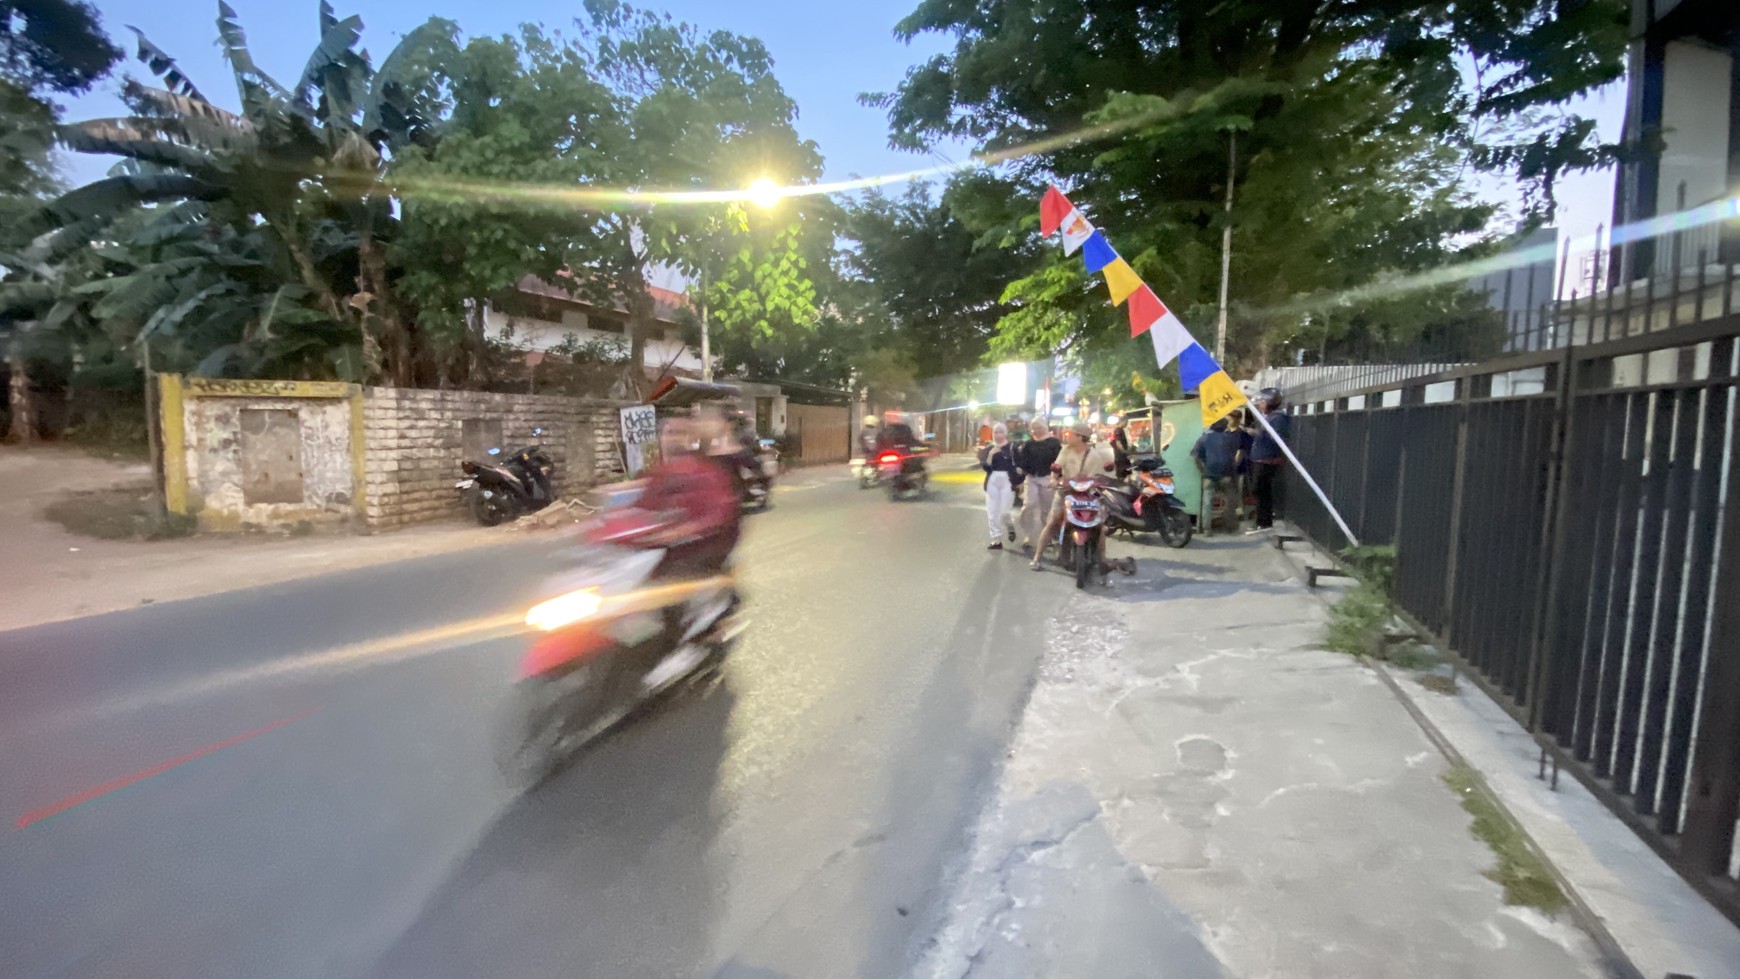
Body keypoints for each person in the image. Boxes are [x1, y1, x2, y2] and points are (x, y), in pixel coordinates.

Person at [633, 415, 741, 580]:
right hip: (659, 548)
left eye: (680, 433)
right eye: (669, 433)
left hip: (698, 548)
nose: (673, 439)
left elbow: (717, 515)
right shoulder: (659, 473)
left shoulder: (707, 472)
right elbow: (642, 506)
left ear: (691, 438)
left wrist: (678, 532)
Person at [1030, 422, 1123, 573]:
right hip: (1065, 491)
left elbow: (1095, 477)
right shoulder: (1065, 450)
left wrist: (1098, 484)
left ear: (1081, 437)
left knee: (1098, 526)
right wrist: (1054, 479)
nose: (1068, 436)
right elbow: (1056, 467)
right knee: (1052, 522)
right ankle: (1037, 557)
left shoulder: (1093, 455)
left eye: (1071, 434)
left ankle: (1103, 559)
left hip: (1086, 494)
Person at [1246, 387, 1291, 532]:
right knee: (1261, 490)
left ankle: (1264, 522)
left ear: (1270, 403)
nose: (1260, 405)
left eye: (1262, 402)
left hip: (1267, 460)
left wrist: (1259, 434)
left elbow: (1277, 439)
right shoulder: (1270, 417)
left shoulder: (1278, 418)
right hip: (1261, 459)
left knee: (1259, 490)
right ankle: (1263, 521)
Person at [1016, 419, 1062, 553]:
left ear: (1044, 428)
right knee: (1028, 505)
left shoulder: (1053, 443)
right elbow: (1022, 462)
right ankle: (1028, 535)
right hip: (1032, 478)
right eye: (1034, 428)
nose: (1036, 430)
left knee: (1047, 510)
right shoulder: (1029, 444)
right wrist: (1020, 474)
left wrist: (1058, 477)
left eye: (1038, 427)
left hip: (1048, 478)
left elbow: (1059, 461)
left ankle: (1046, 536)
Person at [978, 423, 1022, 550]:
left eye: (1001, 432)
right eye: (996, 432)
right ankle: (995, 539)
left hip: (1008, 481)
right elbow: (985, 467)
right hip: (992, 481)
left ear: (1005, 433)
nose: (998, 435)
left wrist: (1019, 480)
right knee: (992, 511)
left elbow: (1020, 465)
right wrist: (991, 455)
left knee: (1005, 512)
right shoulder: (989, 448)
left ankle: (1010, 527)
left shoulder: (1012, 448)